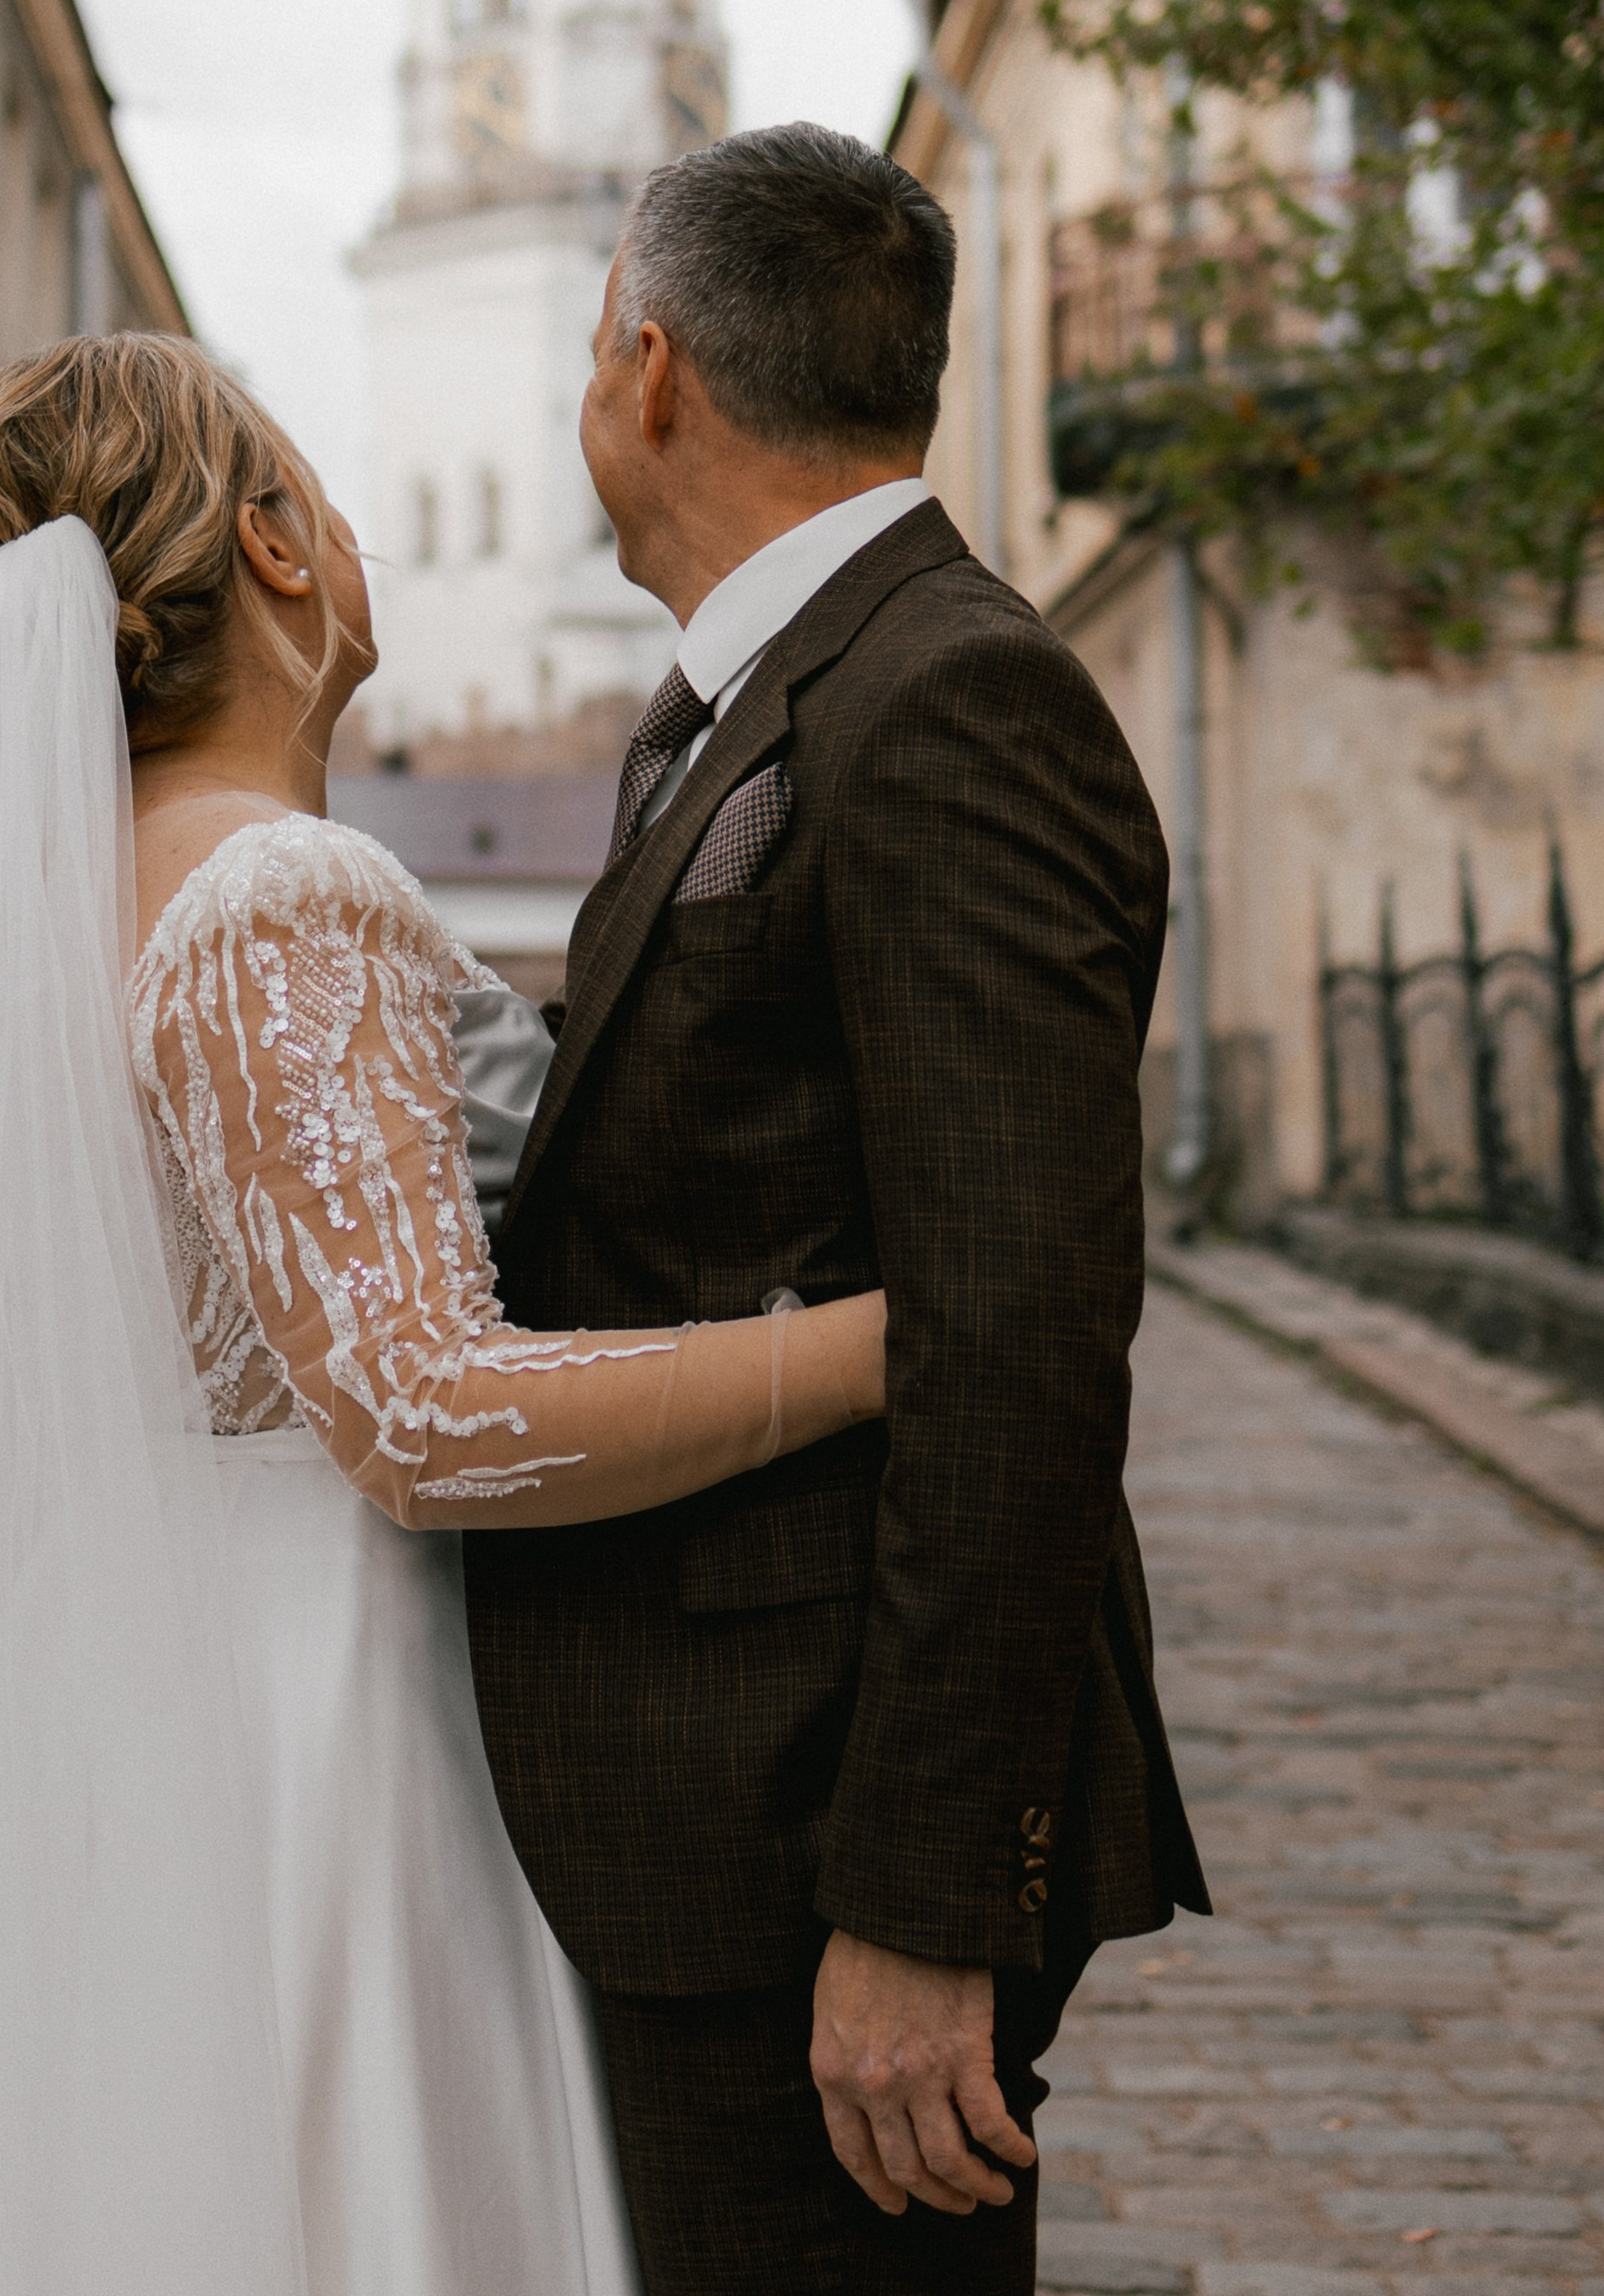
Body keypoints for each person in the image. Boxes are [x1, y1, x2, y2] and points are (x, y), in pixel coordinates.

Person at [0, 331, 888, 2296]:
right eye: (323, 488)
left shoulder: (51, 904)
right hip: (312, 1704)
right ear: (276, 553)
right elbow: (424, 1412)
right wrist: (878, 1348)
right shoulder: (280, 893)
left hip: (117, 1675)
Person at [463, 123, 1211, 2296]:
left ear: (653, 369)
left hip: (811, 1831)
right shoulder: (760, 693)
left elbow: (1022, 1337)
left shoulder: (951, 693)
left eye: (596, 343)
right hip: (693, 1818)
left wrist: (922, 1907)